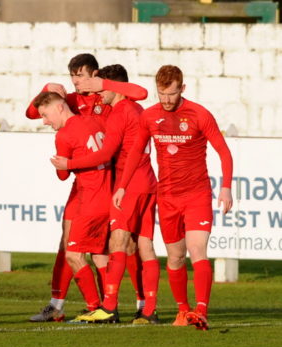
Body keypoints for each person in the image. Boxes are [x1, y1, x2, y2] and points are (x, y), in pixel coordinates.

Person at [111, 65, 233, 330]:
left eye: (172, 94)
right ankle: (182, 311)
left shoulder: (200, 115)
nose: (166, 100)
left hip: (197, 195)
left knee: (197, 249)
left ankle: (201, 310)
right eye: (162, 94)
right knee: (175, 257)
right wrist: (122, 185)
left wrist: (225, 187)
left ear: (182, 89)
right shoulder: (150, 116)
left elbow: (224, 152)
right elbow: (135, 152)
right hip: (167, 197)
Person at [28, 54, 148, 322]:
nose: (75, 81)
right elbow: (35, 111)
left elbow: (140, 93)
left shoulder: (107, 99)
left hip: (111, 181)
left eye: (81, 75)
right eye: (72, 76)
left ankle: (126, 304)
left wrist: (68, 162)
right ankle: (63, 303)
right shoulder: (74, 103)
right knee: (86, 245)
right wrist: (47, 88)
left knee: (123, 245)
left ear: (96, 77)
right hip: (93, 184)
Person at [34, 91, 112, 321]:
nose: (45, 122)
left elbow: (62, 175)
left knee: (74, 255)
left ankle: (94, 307)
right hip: (109, 193)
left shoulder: (64, 135)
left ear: (59, 108)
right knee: (100, 255)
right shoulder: (94, 120)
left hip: (90, 199)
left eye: (45, 115)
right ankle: (110, 308)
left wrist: (61, 163)